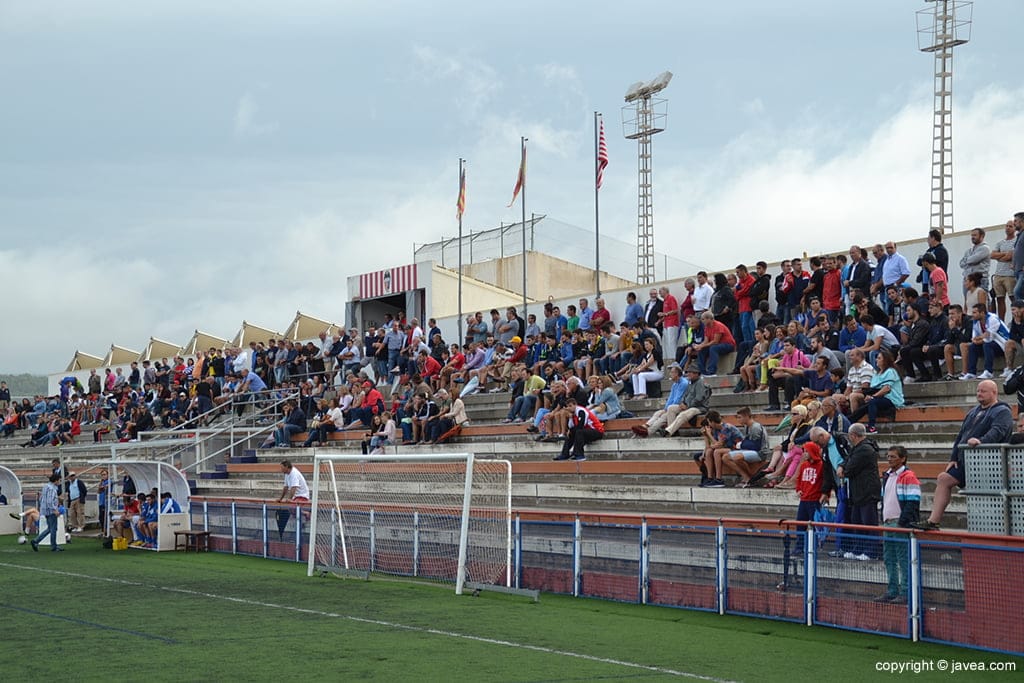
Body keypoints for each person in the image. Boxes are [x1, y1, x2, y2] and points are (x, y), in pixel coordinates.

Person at [913, 379, 1013, 530]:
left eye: (983, 391)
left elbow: (998, 431)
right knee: (943, 478)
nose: (979, 394)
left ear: (994, 392)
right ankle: (933, 521)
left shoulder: (1002, 411)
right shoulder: (973, 411)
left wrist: (981, 441)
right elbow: (961, 435)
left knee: (989, 498)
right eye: (978, 391)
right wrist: (953, 457)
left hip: (990, 462)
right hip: (967, 460)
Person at [876, 446, 921, 603]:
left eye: (893, 457)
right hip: (889, 522)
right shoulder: (888, 476)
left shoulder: (908, 476)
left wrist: (903, 522)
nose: (889, 459)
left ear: (903, 458)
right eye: (888, 456)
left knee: (902, 558)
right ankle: (893, 589)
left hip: (898, 523)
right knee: (889, 558)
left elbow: (913, 501)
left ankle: (905, 591)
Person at [836, 424, 881, 559]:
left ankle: (870, 552)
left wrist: (844, 469)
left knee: (868, 522)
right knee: (857, 522)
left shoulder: (865, 449)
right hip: (857, 492)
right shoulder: (857, 448)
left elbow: (850, 468)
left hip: (867, 492)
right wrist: (841, 466)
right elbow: (847, 461)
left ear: (853, 435)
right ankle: (858, 549)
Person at [553, 396, 603, 462]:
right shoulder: (573, 414)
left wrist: (571, 430)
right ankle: (564, 454)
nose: (569, 408)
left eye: (571, 406)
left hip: (597, 431)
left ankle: (579, 455)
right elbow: (571, 427)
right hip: (586, 431)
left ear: (575, 405)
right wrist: (570, 417)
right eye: (568, 406)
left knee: (578, 432)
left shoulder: (581, 411)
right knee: (571, 433)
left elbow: (581, 425)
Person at [30, 473, 63, 552]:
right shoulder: (52, 489)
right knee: (53, 529)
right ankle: (53, 546)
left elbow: (42, 498)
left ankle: (36, 541)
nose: (60, 482)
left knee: (50, 528)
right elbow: (49, 501)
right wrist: (55, 510)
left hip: (45, 510)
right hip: (50, 511)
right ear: (56, 480)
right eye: (59, 480)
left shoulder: (46, 486)